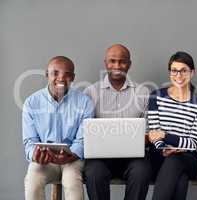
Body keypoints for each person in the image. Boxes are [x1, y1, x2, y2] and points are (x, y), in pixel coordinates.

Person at [84, 44, 152, 200]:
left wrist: (137, 141)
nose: (117, 66)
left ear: (129, 64)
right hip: (100, 156)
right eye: (112, 61)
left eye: (122, 61)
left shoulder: (143, 92)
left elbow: (149, 132)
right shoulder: (90, 93)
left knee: (142, 171)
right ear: (105, 63)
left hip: (134, 157)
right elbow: (85, 131)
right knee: (94, 172)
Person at [22, 56, 94, 200]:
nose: (61, 78)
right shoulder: (31, 103)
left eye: (67, 74)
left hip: (72, 159)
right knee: (32, 181)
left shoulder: (84, 102)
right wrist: (35, 155)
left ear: (73, 77)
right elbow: (29, 141)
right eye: (55, 73)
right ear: (47, 74)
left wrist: (71, 155)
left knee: (72, 182)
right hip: (45, 159)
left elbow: (83, 139)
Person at [147, 51, 197, 200]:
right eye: (174, 70)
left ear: (192, 73)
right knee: (180, 181)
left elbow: (193, 144)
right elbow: (154, 135)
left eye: (183, 71)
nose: (178, 75)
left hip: (188, 160)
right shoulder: (156, 96)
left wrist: (166, 136)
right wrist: (164, 147)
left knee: (176, 160)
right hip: (159, 156)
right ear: (170, 72)